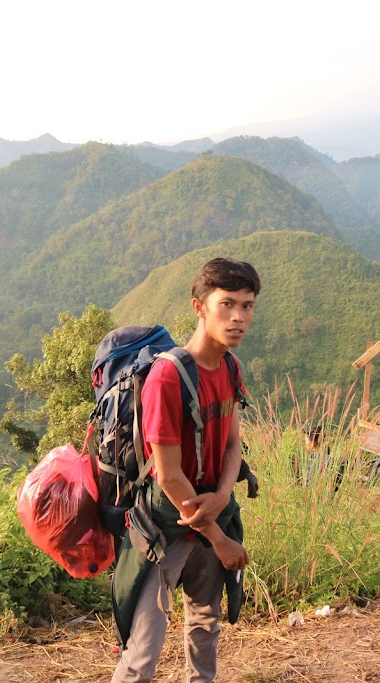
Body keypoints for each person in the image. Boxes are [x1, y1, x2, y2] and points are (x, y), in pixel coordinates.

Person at [111, 258, 260, 683]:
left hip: (213, 510)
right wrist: (220, 538)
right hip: (166, 525)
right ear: (199, 306)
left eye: (247, 306)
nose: (238, 317)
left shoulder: (231, 368)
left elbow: (233, 443)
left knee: (205, 627)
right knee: (143, 652)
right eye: (227, 304)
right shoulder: (167, 378)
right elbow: (169, 474)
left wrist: (222, 496)